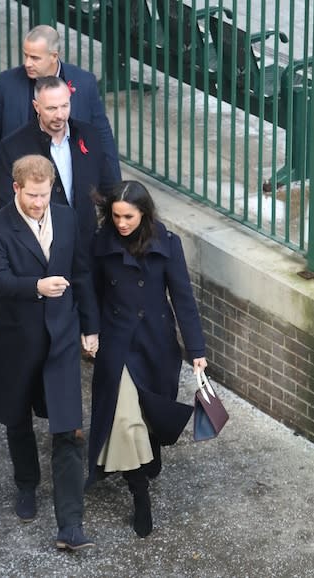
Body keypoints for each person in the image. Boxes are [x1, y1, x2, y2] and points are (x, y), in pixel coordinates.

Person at [0, 154, 100, 551]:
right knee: (18, 420)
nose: (38, 203)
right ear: (16, 188)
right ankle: (26, 485)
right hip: (17, 340)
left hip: (61, 338)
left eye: (44, 195)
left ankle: (71, 525)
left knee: (68, 428)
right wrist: (37, 287)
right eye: (31, 196)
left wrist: (90, 327)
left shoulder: (63, 217)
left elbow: (80, 272)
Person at [86, 180, 208, 538]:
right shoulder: (101, 244)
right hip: (117, 344)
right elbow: (91, 292)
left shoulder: (167, 245)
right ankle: (139, 494)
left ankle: (150, 450)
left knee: (149, 412)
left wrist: (197, 351)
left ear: (145, 214)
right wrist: (90, 331)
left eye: (128, 216)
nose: (121, 223)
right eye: (116, 216)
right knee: (123, 419)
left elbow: (183, 298)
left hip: (156, 344)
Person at [0, 24, 121, 212]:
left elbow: (102, 134)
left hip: (69, 188)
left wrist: (117, 190)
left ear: (54, 57)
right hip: (23, 187)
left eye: (35, 58)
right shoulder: (8, 82)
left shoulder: (84, 82)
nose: (27, 63)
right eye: (25, 55)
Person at [0, 75, 118, 250]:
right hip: (42, 250)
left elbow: (109, 188)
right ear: (37, 107)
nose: (60, 115)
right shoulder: (13, 147)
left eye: (64, 106)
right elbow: (3, 206)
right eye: (51, 108)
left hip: (86, 245)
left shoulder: (89, 135)